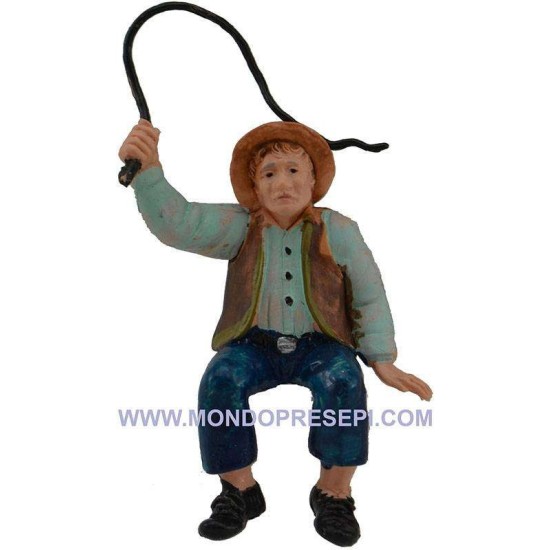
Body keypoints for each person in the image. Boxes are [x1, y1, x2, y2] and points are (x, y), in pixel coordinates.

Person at [119, 118, 433, 547]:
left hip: (321, 345)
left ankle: (334, 492)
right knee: (221, 379)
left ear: (313, 180)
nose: (282, 183)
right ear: (254, 186)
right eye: (269, 174)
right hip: (255, 345)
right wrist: (148, 173)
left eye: (293, 170)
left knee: (343, 380)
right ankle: (239, 490)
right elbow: (181, 223)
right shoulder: (240, 226)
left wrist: (380, 358)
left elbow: (368, 292)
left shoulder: (338, 230)